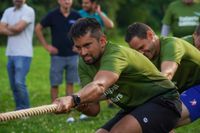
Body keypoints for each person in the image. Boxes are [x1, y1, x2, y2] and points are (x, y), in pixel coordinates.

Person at [53, 18, 182, 133]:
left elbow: (99, 85)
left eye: (87, 45)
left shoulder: (115, 55)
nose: (83, 52)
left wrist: (73, 99)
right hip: (135, 107)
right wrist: (79, 105)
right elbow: (93, 110)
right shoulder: (84, 63)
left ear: (102, 41)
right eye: (78, 47)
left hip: (164, 101)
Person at [125, 22, 200, 129]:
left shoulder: (172, 45)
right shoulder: (150, 55)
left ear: (151, 35)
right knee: (151, 121)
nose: (140, 53)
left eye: (142, 47)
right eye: (137, 51)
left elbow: (166, 75)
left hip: (196, 88)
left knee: (152, 121)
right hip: (185, 89)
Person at [35, 0, 81, 122]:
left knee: (70, 82)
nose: (67, 1)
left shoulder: (76, 15)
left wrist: (78, 46)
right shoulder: (52, 15)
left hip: (72, 55)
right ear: (59, 1)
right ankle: (53, 108)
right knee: (55, 83)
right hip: (57, 56)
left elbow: (84, 30)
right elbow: (38, 28)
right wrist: (46, 46)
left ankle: (68, 107)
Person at [0, 0, 35, 110]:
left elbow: (19, 28)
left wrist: (8, 26)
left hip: (24, 53)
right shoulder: (8, 11)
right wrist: (13, 29)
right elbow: (1, 29)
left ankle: (26, 109)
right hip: (10, 52)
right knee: (13, 85)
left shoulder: (29, 11)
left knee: (19, 82)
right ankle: (19, 109)